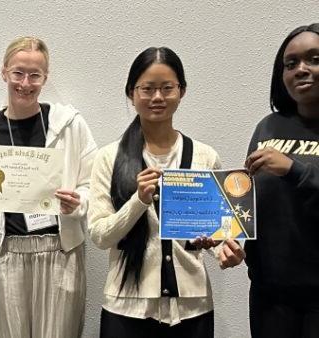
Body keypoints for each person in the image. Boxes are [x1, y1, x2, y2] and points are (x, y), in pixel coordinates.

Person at [88, 47, 245, 338]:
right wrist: (139, 200)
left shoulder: (204, 157)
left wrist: (225, 249)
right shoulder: (108, 158)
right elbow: (99, 235)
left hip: (192, 307)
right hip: (126, 308)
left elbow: (215, 231)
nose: (157, 97)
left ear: (182, 91)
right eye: (147, 89)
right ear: (131, 93)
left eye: (167, 88)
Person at [0, 36, 97, 338]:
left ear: (45, 78)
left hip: (61, 251)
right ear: (4, 72)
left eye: (35, 75)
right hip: (9, 252)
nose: (25, 83)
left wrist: (79, 203)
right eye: (18, 73)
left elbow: (92, 184)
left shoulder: (70, 125)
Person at [244, 23, 319, 338]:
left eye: (314, 59)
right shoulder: (268, 127)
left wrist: (293, 169)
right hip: (271, 296)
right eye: (290, 64)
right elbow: (245, 198)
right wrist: (228, 240)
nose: (301, 69)